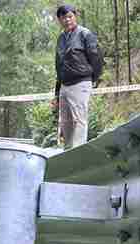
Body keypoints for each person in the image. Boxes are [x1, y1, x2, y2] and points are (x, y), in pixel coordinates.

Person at [51, 5, 103, 149]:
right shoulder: (61, 38)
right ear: (59, 20)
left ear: (75, 16)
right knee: (65, 122)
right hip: (64, 86)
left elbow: (96, 58)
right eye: (63, 18)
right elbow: (58, 66)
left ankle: (79, 150)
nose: (67, 20)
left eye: (69, 16)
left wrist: (94, 79)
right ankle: (68, 151)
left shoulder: (85, 34)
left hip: (81, 82)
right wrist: (56, 94)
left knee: (79, 120)